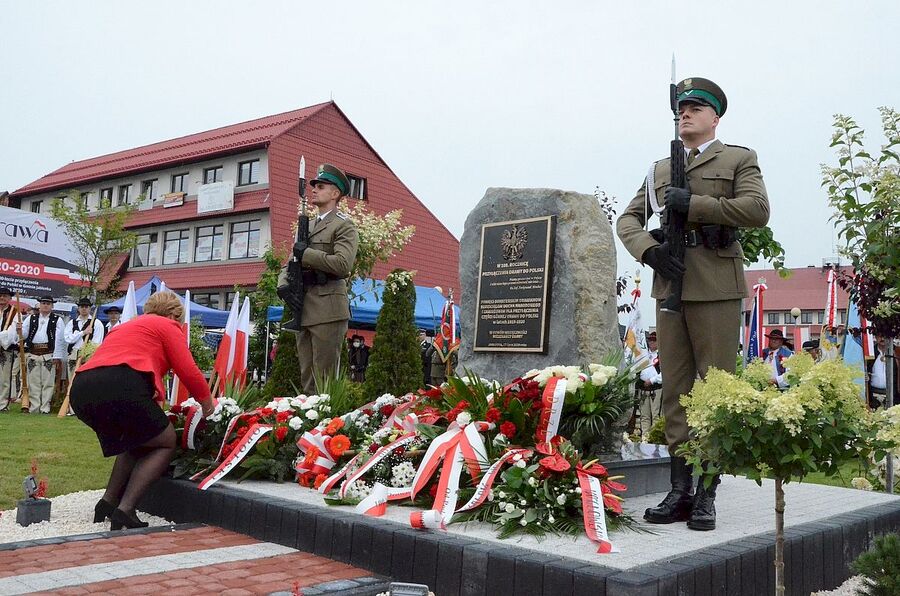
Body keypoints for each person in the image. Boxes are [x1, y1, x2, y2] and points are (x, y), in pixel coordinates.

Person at [616, 77, 770, 531]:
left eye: (695, 108)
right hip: (671, 283)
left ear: (714, 117)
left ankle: (706, 492)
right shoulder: (660, 168)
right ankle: (679, 490)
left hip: (717, 285)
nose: (685, 114)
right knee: (675, 391)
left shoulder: (739, 158)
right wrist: (649, 250)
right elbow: (628, 218)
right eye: (681, 108)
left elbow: (757, 210)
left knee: (714, 391)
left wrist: (695, 203)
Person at [69, 291, 213, 530]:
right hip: (121, 384)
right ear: (174, 314)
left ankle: (107, 502)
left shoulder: (125, 326)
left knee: (136, 439)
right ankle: (125, 510)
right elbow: (188, 370)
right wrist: (208, 406)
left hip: (82, 388)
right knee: (166, 441)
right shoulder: (167, 325)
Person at [277, 164, 359, 395]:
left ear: (335, 194)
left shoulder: (343, 226)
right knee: (307, 378)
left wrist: (308, 254)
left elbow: (343, 265)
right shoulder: (308, 225)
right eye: (314, 186)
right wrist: (282, 283)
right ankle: (308, 425)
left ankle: (326, 427)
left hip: (328, 308)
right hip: (303, 306)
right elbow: (291, 261)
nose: (314, 190)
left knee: (324, 380)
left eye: (321, 186)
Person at [0, 295, 66, 413]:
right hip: (33, 353)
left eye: (48, 303)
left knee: (48, 383)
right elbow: (23, 335)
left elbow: (59, 339)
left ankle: (45, 407)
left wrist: (57, 356)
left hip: (48, 353)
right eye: (43, 303)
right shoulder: (31, 318)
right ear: (39, 305)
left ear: (52, 306)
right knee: (33, 382)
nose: (45, 305)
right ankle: (35, 407)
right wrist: (19, 330)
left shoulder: (57, 319)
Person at [64, 297, 105, 380]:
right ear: (78, 308)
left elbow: (97, 342)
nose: (84, 309)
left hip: (88, 355)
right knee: (72, 379)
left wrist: (87, 353)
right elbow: (68, 338)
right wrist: (83, 333)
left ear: (90, 308)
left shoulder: (96, 323)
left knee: (86, 379)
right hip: (73, 354)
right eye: (82, 306)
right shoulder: (72, 323)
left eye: (86, 307)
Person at [637, 331, 663, 438]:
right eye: (650, 341)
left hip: (655, 388)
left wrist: (651, 380)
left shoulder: (661, 355)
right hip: (643, 388)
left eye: (654, 341)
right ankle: (645, 437)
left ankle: (655, 438)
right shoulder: (643, 355)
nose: (651, 343)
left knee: (656, 415)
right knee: (644, 416)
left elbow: (664, 373)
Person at [0, 287, 22, 411]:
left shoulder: (15, 312)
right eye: (0, 295)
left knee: (4, 378)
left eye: (5, 296)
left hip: (6, 349)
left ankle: (3, 404)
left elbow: (11, 334)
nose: (2, 298)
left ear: (9, 298)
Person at [867, 335, 899, 410]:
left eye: (884, 335)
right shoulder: (870, 352)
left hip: (893, 396)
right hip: (872, 396)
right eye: (879, 335)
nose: (882, 338)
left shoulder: (897, 352)